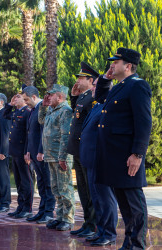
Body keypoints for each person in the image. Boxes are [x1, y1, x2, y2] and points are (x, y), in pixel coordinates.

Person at [95, 48, 152, 250]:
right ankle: (129, 242)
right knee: (124, 204)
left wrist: (137, 154)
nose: (111, 65)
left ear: (128, 66)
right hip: (114, 156)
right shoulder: (120, 86)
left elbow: (144, 123)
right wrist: (104, 78)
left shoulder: (137, 86)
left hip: (127, 156)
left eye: (115, 62)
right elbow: (101, 98)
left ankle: (137, 245)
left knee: (134, 204)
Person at [79, 77, 118, 246]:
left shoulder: (107, 106)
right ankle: (100, 231)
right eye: (94, 85)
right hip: (90, 160)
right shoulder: (97, 106)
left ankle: (109, 233)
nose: (93, 88)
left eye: (95, 86)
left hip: (100, 159)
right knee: (96, 199)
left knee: (105, 199)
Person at [38, 84, 75, 231]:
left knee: (65, 189)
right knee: (56, 189)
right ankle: (60, 217)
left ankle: (68, 218)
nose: (48, 97)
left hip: (61, 157)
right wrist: (43, 106)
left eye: (51, 95)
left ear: (60, 96)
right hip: (51, 156)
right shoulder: (52, 110)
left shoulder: (65, 111)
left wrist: (63, 157)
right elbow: (40, 121)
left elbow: (65, 136)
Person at [68, 62, 98, 238]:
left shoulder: (92, 98)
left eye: (81, 78)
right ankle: (87, 222)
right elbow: (77, 116)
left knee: (89, 188)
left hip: (85, 149)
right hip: (77, 149)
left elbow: (90, 123)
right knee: (82, 189)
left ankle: (92, 224)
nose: (78, 80)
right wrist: (73, 96)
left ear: (91, 80)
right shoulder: (82, 96)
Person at [22, 86, 56, 224]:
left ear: (34, 96)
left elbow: (44, 131)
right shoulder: (34, 110)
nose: (25, 102)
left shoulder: (44, 108)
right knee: (41, 183)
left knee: (47, 183)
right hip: (34, 152)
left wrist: (41, 151)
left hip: (42, 153)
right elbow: (30, 132)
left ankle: (48, 212)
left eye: (26, 99)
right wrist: (29, 150)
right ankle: (42, 211)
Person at [3, 87, 34, 219]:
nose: (15, 98)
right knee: (18, 181)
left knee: (26, 181)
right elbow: (5, 115)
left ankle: (27, 207)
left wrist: (28, 151)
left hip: (23, 152)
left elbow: (29, 134)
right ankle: (20, 206)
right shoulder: (16, 112)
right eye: (15, 96)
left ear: (24, 99)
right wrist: (9, 104)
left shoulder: (27, 112)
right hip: (15, 151)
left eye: (18, 97)